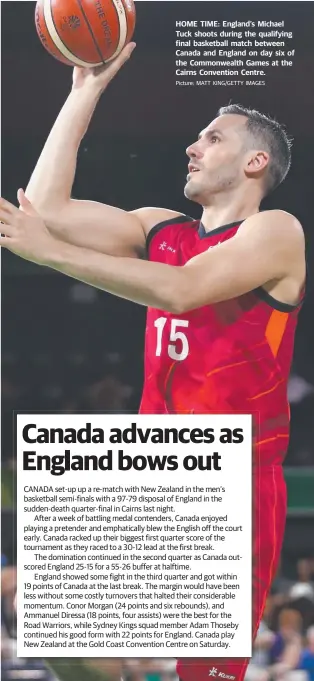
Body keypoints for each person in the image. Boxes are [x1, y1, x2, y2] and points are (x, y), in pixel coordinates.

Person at [1, 43, 306, 681]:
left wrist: (50, 256)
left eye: (212, 138)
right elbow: (49, 211)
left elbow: (181, 290)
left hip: (232, 476)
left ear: (255, 162)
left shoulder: (277, 230)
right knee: (60, 635)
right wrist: (83, 91)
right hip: (151, 462)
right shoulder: (161, 229)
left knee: (205, 675)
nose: (192, 147)